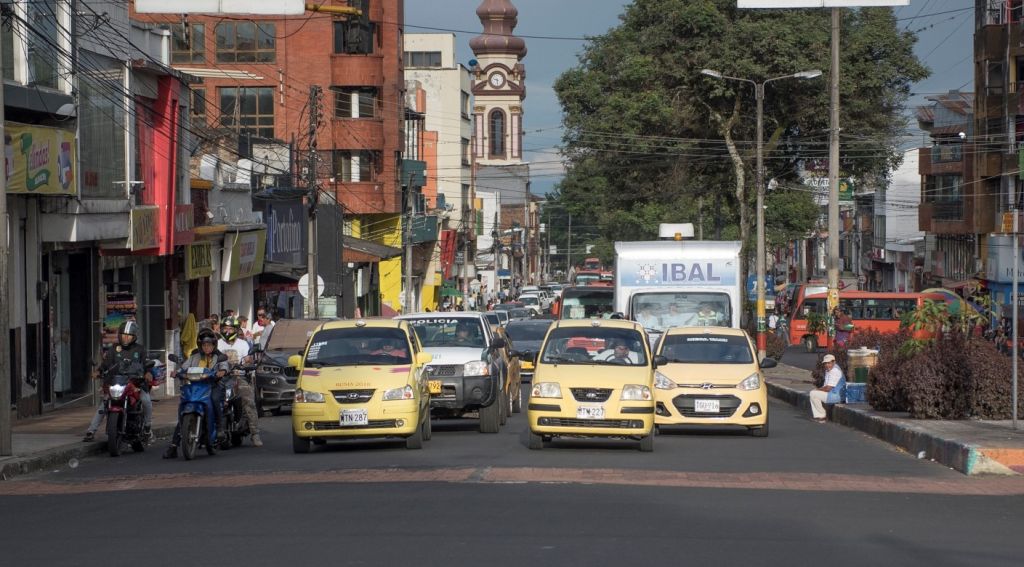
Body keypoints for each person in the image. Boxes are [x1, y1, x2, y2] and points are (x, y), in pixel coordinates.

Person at [163, 329, 229, 459]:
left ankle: (220, 428)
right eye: (204, 345)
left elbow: (225, 365)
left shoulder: (219, 356)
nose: (206, 347)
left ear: (214, 345)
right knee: (183, 412)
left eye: (209, 344)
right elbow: (184, 367)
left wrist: (222, 371)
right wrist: (177, 372)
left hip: (212, 386)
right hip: (194, 387)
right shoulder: (194, 357)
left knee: (215, 399)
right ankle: (174, 446)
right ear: (200, 346)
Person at [84, 321, 153, 442]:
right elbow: (106, 364)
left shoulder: (140, 349)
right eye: (123, 335)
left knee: (146, 400)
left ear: (134, 336)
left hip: (135, 383)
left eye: (128, 335)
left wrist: (147, 373)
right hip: (117, 382)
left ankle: (147, 427)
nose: (125, 338)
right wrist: (98, 371)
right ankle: (91, 431)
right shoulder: (114, 348)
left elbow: (146, 364)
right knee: (105, 403)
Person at [216, 316, 262, 447]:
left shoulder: (243, 344)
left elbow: (250, 358)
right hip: (221, 378)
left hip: (239, 377)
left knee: (249, 402)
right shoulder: (218, 344)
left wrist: (249, 361)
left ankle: (255, 433)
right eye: (225, 328)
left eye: (231, 328)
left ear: (236, 329)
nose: (228, 331)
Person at [809, 353, 844, 422]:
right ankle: (821, 414)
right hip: (834, 394)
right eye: (825, 363)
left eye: (829, 363)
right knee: (814, 393)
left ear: (834, 362)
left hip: (836, 396)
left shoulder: (834, 371)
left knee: (813, 394)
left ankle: (822, 416)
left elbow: (828, 388)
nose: (827, 365)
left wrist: (817, 389)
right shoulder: (830, 370)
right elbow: (826, 386)